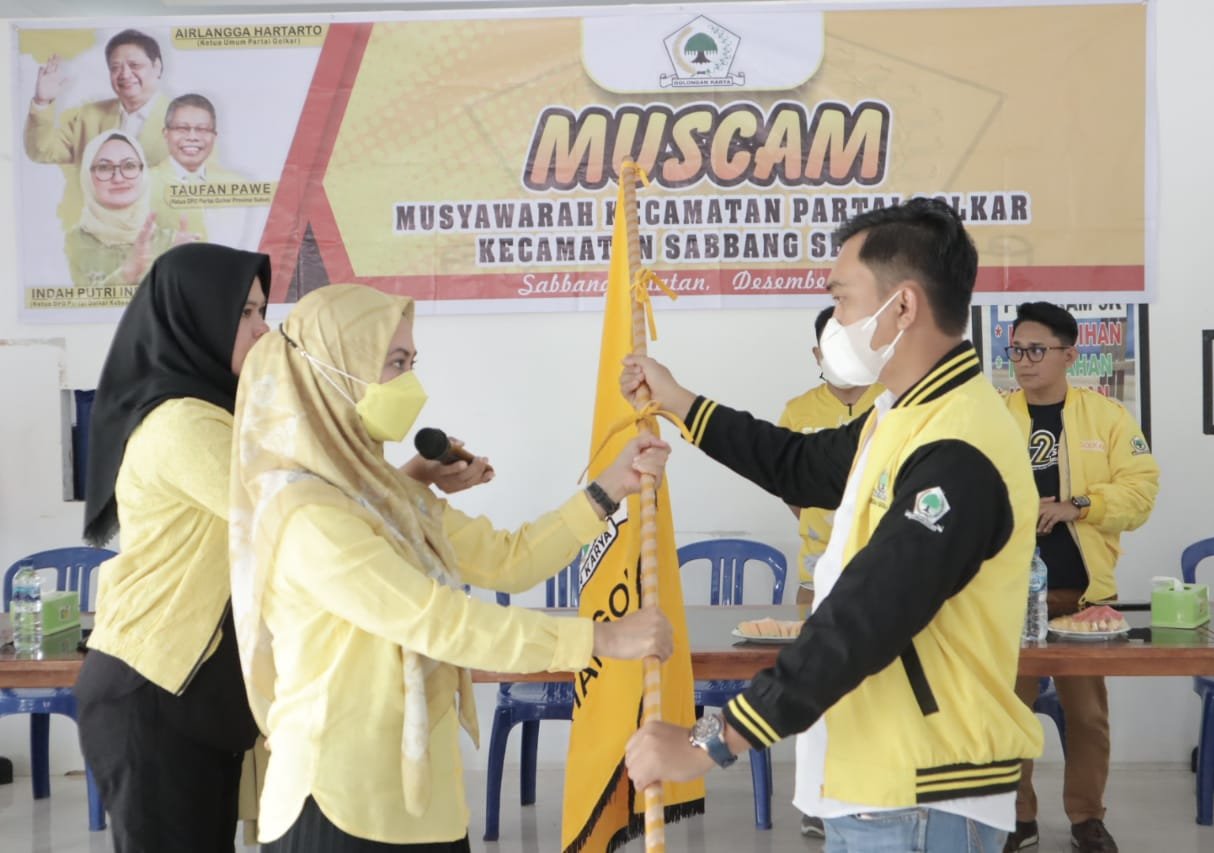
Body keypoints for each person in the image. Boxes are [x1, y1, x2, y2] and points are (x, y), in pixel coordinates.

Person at [622, 197, 1043, 852]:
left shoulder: (960, 445)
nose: (835, 323)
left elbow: (866, 615)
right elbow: (798, 463)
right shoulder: (902, 416)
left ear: (902, 307)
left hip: (923, 795)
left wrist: (712, 740)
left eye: (842, 300)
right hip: (880, 786)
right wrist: (677, 401)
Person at [229, 284, 674, 851]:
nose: (409, 384)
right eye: (395, 363)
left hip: (424, 800)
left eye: (411, 364)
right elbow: (437, 621)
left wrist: (609, 489)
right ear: (334, 369)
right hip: (340, 803)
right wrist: (599, 638)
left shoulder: (385, 493)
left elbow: (508, 559)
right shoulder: (307, 514)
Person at [74, 243, 272, 853]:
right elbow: (292, 512)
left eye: (263, 311)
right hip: (152, 693)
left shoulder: (221, 412)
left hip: (194, 696)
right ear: (198, 318)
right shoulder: (184, 423)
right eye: (244, 314)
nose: (264, 331)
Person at [1002, 302, 1159, 853]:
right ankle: (1016, 818)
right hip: (1007, 597)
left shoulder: (1107, 417)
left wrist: (1080, 504)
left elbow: (1141, 494)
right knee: (1008, 711)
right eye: (1017, 350)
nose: (1024, 360)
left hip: (1085, 598)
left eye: (1036, 350)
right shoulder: (992, 416)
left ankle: (1087, 817)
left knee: (1088, 716)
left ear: (1069, 355)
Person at [778, 305, 881, 840]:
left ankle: (869, 792)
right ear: (817, 353)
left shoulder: (893, 401)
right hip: (816, 575)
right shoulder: (798, 410)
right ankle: (817, 799)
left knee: (875, 689)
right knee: (814, 688)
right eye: (832, 345)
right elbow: (789, 484)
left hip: (882, 577)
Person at [25, 29, 170, 228]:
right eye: (115, 67)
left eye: (135, 65)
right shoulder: (89, 116)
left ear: (157, 66)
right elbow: (42, 151)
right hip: (96, 231)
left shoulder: (184, 121)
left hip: (159, 228)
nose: (125, 74)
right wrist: (42, 101)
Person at [65, 130, 196, 289]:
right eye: (104, 167)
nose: (118, 178)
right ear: (87, 175)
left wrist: (180, 270)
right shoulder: (68, 245)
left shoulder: (173, 244)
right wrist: (126, 274)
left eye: (129, 166)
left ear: (143, 172)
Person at [152, 94, 254, 247]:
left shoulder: (237, 186)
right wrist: (165, 245)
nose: (192, 137)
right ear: (166, 133)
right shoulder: (143, 183)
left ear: (214, 136)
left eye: (202, 129)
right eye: (182, 128)